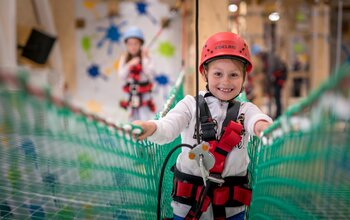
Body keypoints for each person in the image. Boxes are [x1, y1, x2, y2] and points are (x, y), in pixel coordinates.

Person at [133, 32, 273, 220]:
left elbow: (257, 120)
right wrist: (150, 127)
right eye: (218, 74)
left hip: (232, 209)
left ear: (244, 77)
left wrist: (264, 128)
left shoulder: (245, 110)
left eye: (233, 75)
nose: (225, 81)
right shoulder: (190, 106)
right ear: (204, 73)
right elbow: (168, 127)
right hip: (188, 208)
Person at [118, 26, 156, 121]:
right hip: (131, 95)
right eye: (130, 44)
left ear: (140, 44)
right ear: (126, 45)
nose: (133, 47)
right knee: (131, 119)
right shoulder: (125, 58)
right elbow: (121, 76)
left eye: (136, 43)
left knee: (145, 118)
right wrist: (130, 64)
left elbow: (150, 75)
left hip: (144, 95)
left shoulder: (146, 57)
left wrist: (144, 59)